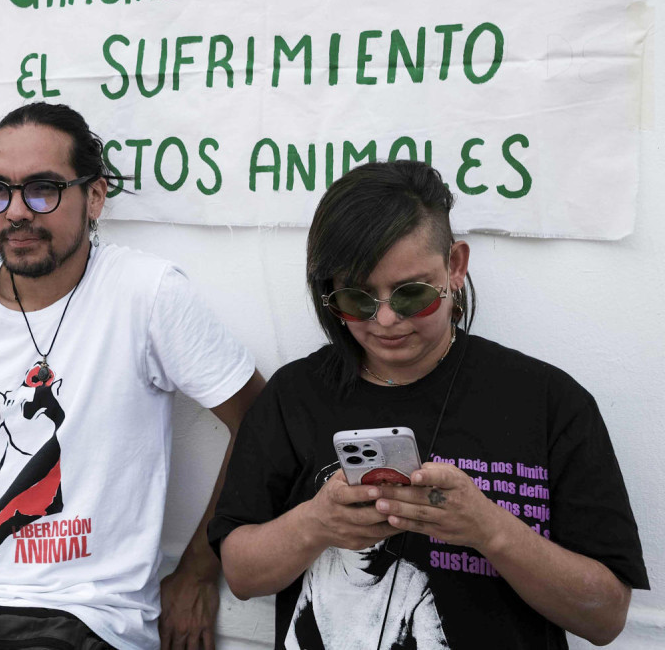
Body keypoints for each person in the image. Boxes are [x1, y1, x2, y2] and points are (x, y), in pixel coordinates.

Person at [208, 160, 648, 649]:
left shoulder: (550, 402)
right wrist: (315, 523)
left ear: (455, 266)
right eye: (357, 299)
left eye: (411, 293)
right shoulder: (294, 396)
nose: (386, 319)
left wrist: (489, 529)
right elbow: (242, 574)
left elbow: (606, 616)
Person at [0, 102, 265, 650]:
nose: (17, 211)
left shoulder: (146, 295)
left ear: (95, 196)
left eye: (43, 189)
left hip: (87, 617)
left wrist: (201, 566)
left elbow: (255, 416)